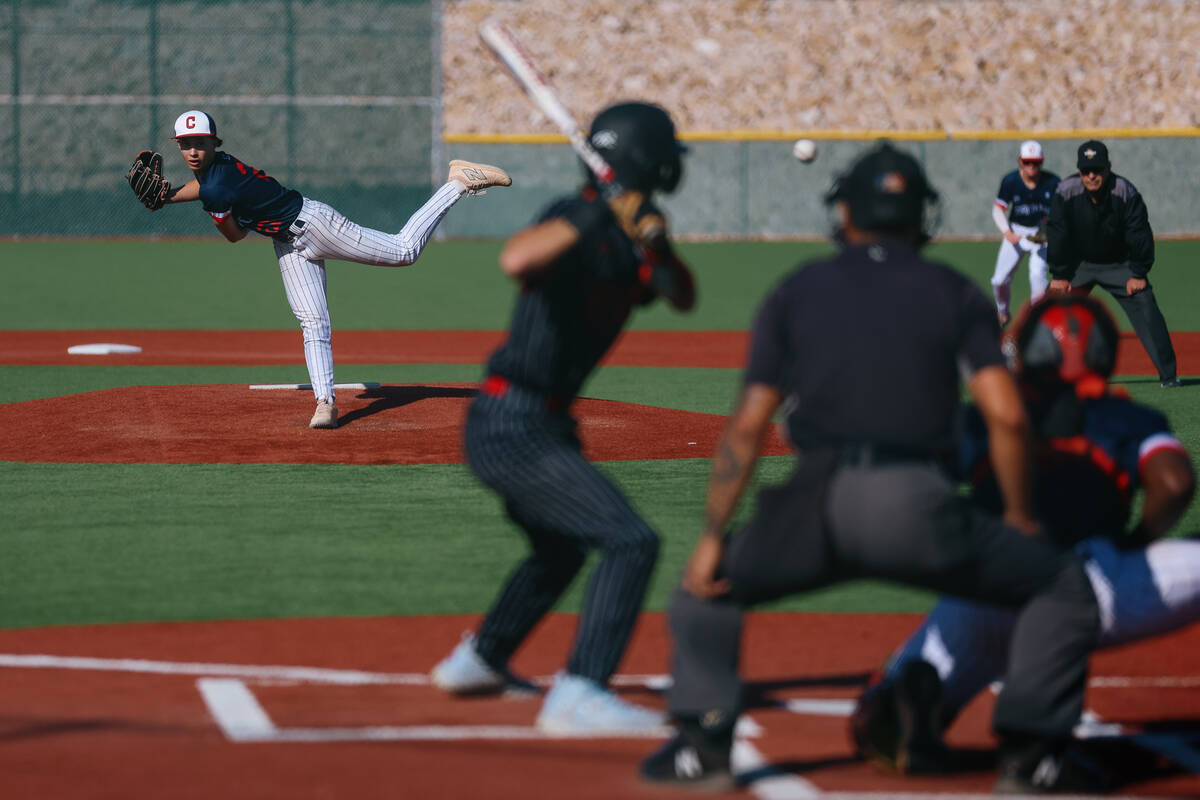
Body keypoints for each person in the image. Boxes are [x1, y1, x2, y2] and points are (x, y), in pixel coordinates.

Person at [638, 141, 1103, 794]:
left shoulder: (797, 289)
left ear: (846, 214)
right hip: (921, 506)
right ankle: (1033, 760)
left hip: (815, 504)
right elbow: (1006, 417)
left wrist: (713, 539)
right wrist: (1022, 516)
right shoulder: (952, 292)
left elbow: (746, 428)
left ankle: (701, 748)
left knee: (701, 591)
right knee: (1062, 587)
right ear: (922, 218)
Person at [850, 293, 1197, 791]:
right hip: (1086, 582)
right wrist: (1137, 541)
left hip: (980, 588)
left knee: (879, 718)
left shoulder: (991, 414)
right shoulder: (1125, 417)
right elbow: (1174, 482)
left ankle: (908, 692)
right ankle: (1033, 750)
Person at [428, 102, 697, 733]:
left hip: (538, 423)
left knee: (560, 550)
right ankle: (579, 694)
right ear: (644, 159)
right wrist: (603, 209)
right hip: (511, 419)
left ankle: (481, 660)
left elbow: (682, 295)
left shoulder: (632, 234)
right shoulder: (575, 215)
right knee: (631, 542)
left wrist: (654, 237)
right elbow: (516, 259)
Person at [135, 109, 512, 429]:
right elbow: (203, 188)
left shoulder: (217, 185)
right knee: (312, 322)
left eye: (200, 142)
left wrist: (189, 207)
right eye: (185, 144)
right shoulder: (216, 170)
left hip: (315, 225)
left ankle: (458, 183)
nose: (192, 151)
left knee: (404, 250)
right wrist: (166, 198)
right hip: (288, 242)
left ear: (215, 143)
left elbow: (233, 234)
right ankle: (325, 403)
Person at [1046, 139, 1181, 388]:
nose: (1092, 176)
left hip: (1120, 265)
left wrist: (1139, 272)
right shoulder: (1065, 191)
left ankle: (1169, 376)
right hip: (1079, 265)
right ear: (1079, 171)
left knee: (1145, 303)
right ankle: (1042, 373)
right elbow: (1057, 232)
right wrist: (1059, 274)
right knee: (1050, 306)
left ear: (1108, 167)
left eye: (1097, 169)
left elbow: (1139, 233)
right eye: (1086, 171)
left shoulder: (1125, 191)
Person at [990, 140, 1059, 327]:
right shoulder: (1011, 181)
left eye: (1035, 162)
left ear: (1041, 162)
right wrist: (1007, 232)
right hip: (1017, 232)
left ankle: (1038, 322)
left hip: (1041, 236)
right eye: (1027, 162)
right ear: (1020, 161)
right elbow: (998, 210)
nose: (1031, 166)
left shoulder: (1052, 182)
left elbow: (1061, 212)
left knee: (1037, 277)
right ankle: (1003, 312)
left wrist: (1049, 230)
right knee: (999, 280)